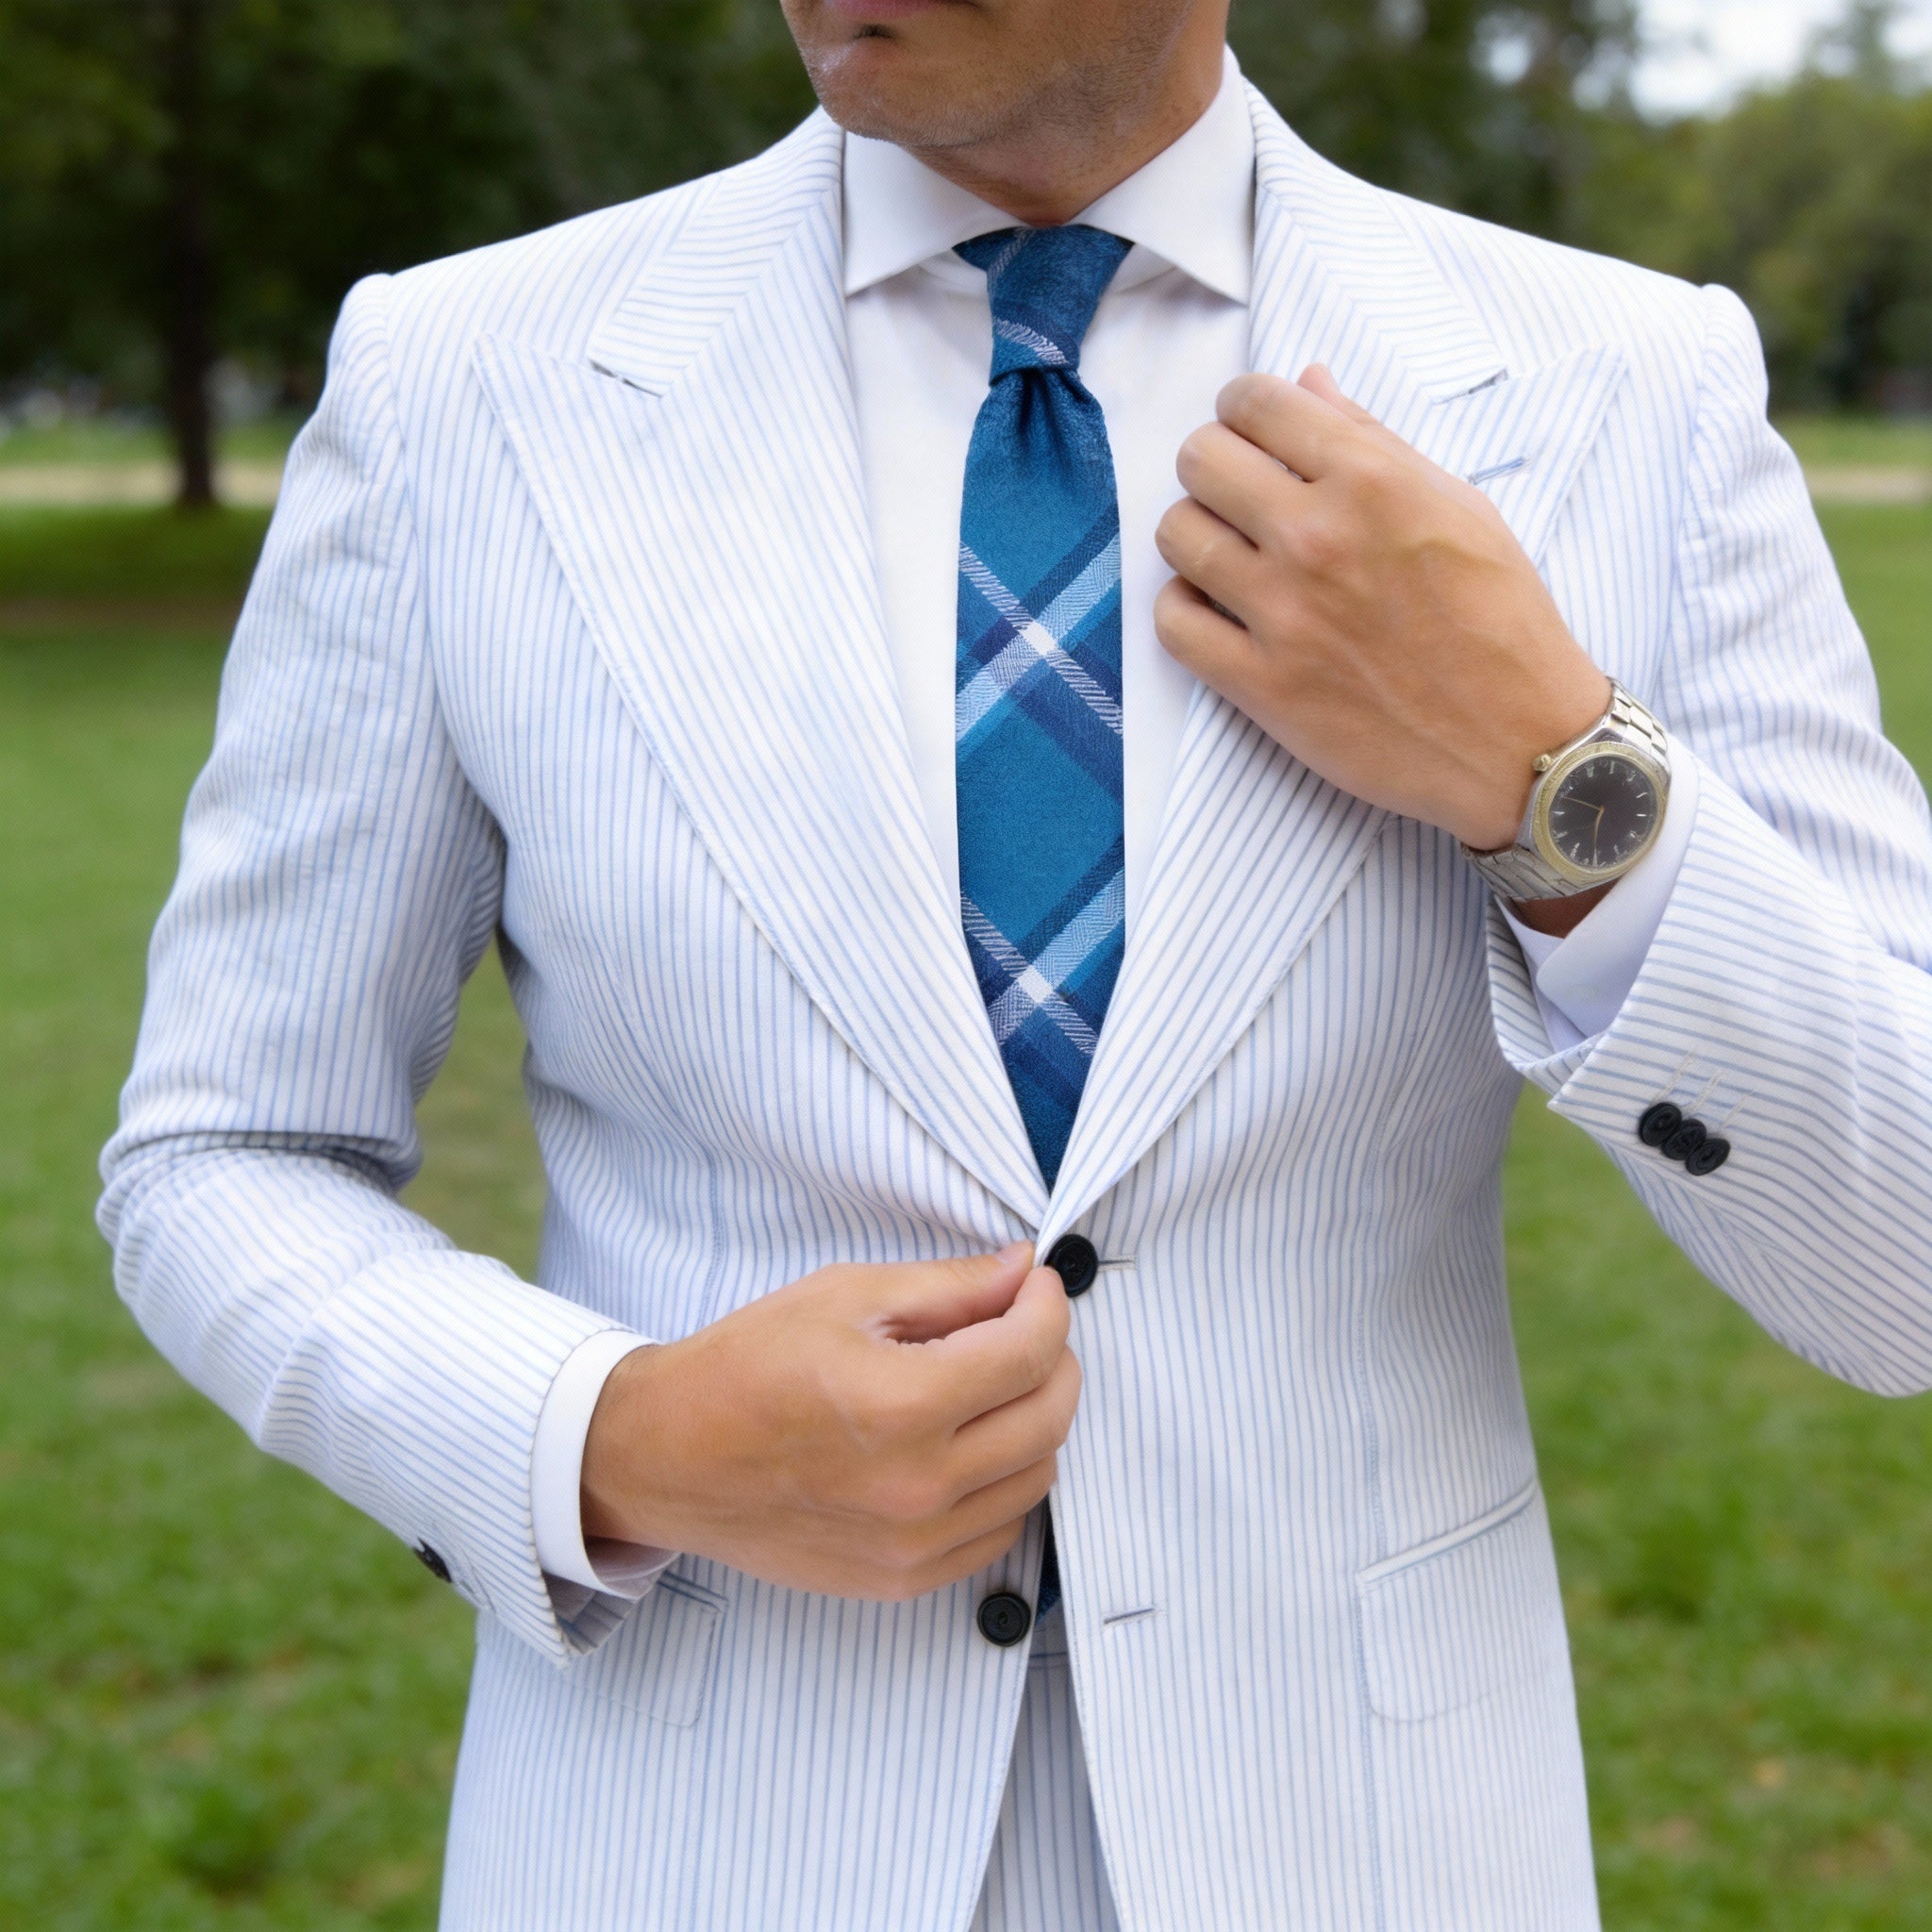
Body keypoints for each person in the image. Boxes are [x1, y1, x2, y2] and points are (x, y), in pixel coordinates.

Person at [100, 0, 1932, 1924]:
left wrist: (1554, 774)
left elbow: (1902, 1262)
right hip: (688, 1845)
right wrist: (610, 1441)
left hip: (1368, 1844)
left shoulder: (1625, 385)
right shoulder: (461, 382)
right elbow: (222, 1155)